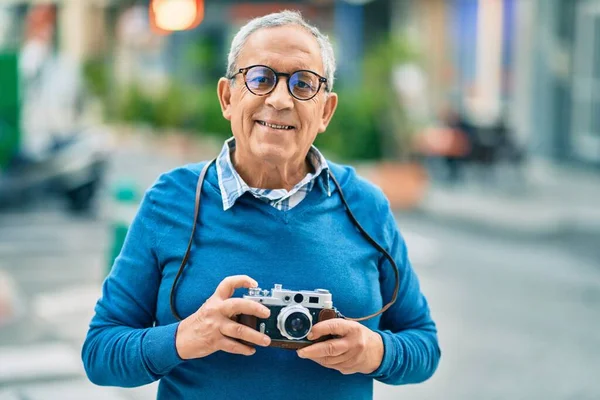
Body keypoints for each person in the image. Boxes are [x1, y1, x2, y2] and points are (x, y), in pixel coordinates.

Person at [82, 10, 440, 399]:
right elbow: (100, 353)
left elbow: (424, 345)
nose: (280, 99)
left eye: (303, 84)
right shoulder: (171, 200)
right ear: (227, 97)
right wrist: (186, 336)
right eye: (260, 78)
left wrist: (375, 352)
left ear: (326, 111)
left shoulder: (365, 204)